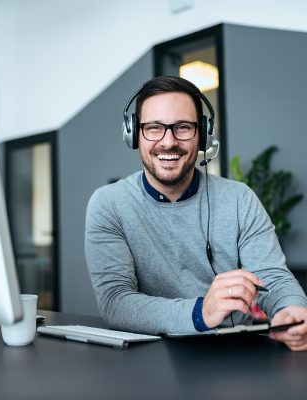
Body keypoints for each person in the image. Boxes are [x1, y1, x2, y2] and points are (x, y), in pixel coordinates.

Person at [85, 75, 307, 351]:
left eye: (182, 127)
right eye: (154, 127)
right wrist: (201, 312)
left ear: (202, 133)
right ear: (133, 134)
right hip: (148, 359)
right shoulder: (109, 204)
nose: (168, 142)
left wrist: (291, 309)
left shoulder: (239, 198)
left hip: (235, 351)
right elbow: (116, 302)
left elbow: (273, 277)